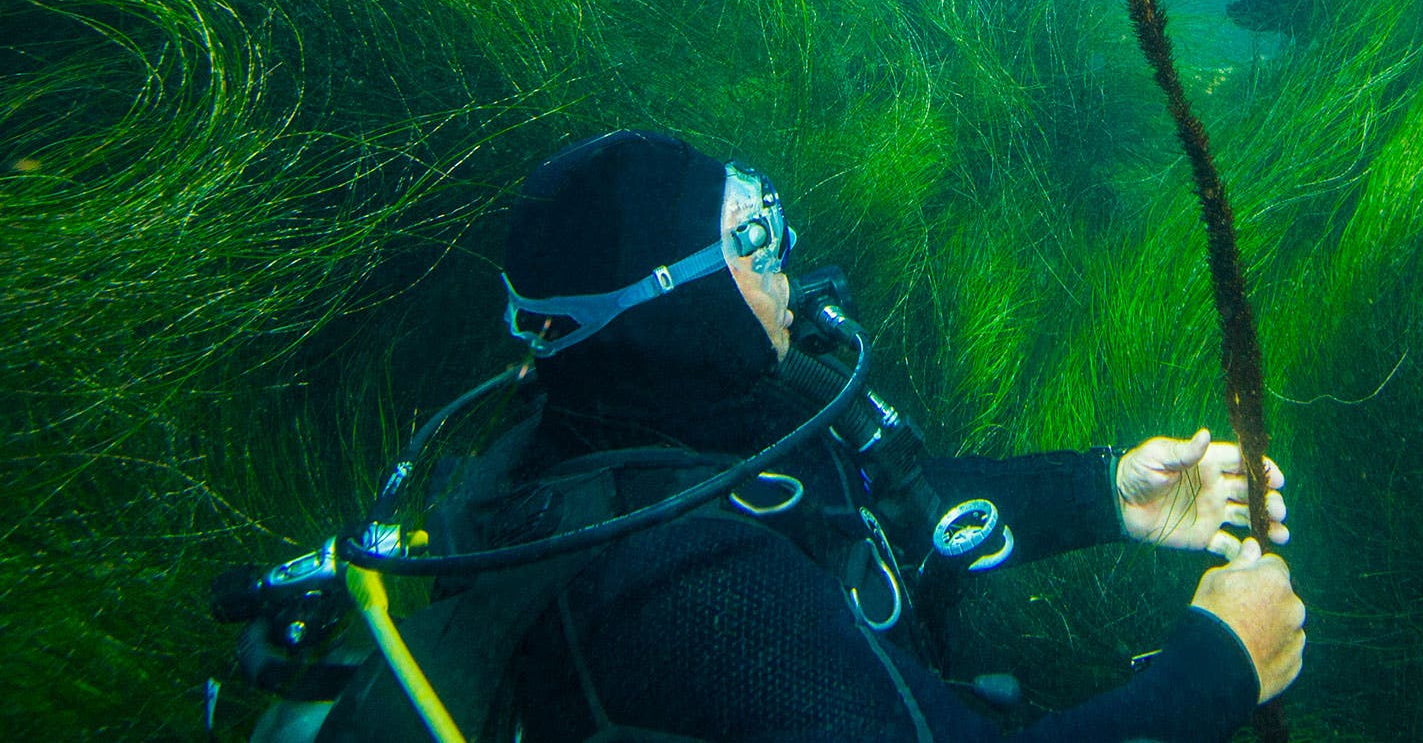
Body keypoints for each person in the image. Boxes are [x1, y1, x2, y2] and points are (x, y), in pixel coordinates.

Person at [385, 129, 1302, 743]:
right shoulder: (684, 582)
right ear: (672, 304)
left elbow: (889, 513)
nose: (784, 259)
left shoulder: (671, 425)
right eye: (750, 238)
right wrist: (1216, 669)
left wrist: (1103, 493)